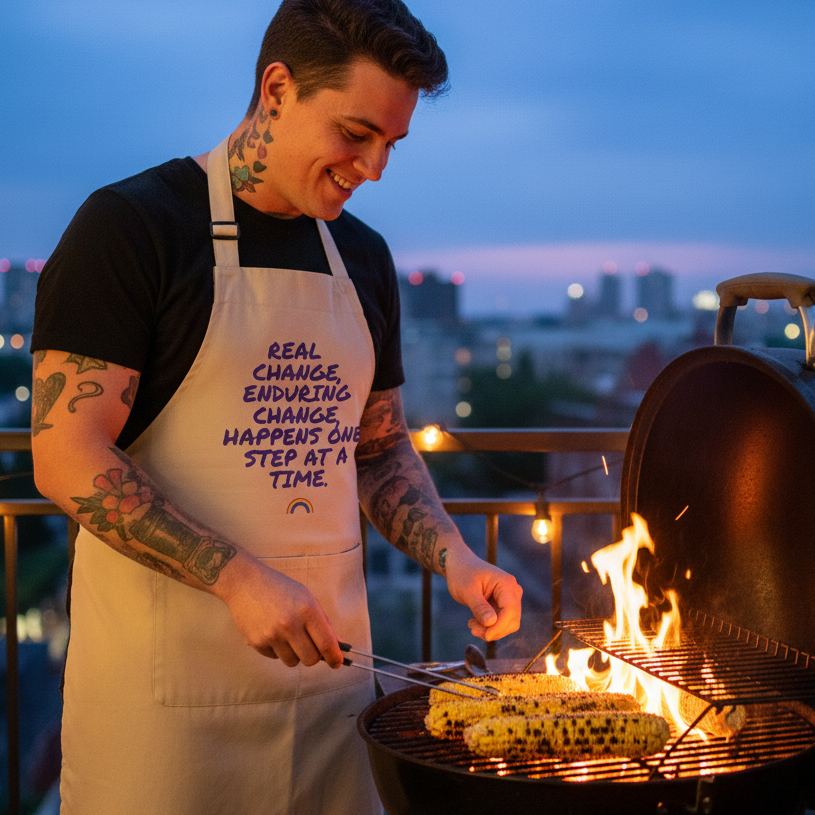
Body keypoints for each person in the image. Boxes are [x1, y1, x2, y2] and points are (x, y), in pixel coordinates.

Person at [30, 1, 523, 812]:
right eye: (354, 134)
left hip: (334, 695)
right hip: (164, 709)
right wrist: (235, 578)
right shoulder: (131, 229)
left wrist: (457, 560)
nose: (373, 168)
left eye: (391, 144)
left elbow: (378, 447)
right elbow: (66, 454)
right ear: (277, 88)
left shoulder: (363, 257)